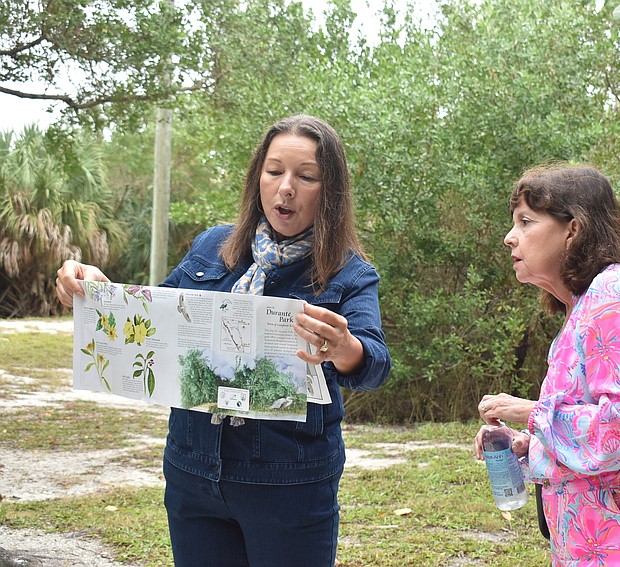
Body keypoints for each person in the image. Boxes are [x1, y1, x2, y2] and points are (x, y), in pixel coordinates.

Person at [56, 114, 391, 567]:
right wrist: (95, 290)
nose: (286, 187)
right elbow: (152, 319)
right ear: (258, 178)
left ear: (330, 190)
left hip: (288, 484)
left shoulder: (349, 273)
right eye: (274, 172)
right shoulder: (213, 245)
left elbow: (375, 364)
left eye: (305, 176)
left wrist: (346, 349)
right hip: (192, 471)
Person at [473, 163, 620, 566]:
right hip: (605, 539)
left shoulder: (618, 290)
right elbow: (600, 440)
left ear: (573, 229)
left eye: (526, 222)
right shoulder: (584, 305)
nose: (510, 237)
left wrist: (531, 413)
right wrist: (531, 446)